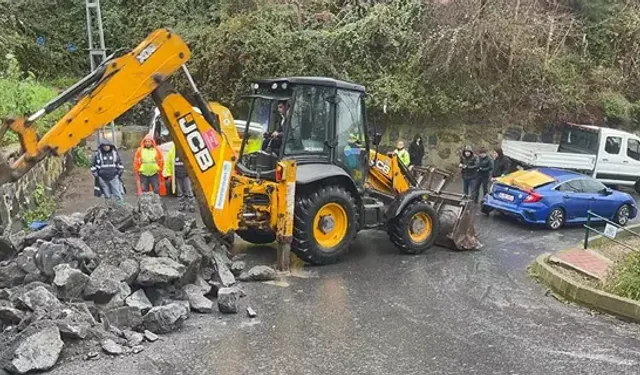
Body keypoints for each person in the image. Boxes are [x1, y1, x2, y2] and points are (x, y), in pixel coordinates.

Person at [164, 143, 196, 212]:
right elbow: (168, 163)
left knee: (189, 191)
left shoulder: (187, 151)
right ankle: (182, 205)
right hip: (177, 176)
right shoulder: (172, 152)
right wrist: (168, 174)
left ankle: (191, 205)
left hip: (186, 175)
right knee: (179, 192)